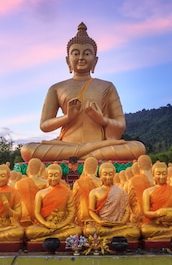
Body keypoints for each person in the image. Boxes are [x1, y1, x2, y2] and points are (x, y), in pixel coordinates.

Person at [20, 23, 146, 162]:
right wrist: (68, 117)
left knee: (138, 147)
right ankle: (86, 156)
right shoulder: (56, 88)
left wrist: (101, 120)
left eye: (87, 53)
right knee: (27, 149)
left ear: (95, 61)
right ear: (68, 60)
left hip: (97, 145)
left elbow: (120, 124)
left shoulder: (107, 86)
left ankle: (75, 157)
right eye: (75, 53)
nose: (81, 58)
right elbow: (44, 125)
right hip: (70, 145)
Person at [25, 164, 81, 242]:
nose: (53, 178)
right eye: (50, 175)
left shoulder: (67, 192)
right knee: (29, 232)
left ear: (60, 176)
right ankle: (56, 237)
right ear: (46, 176)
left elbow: (72, 212)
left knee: (77, 231)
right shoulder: (40, 193)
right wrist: (45, 223)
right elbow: (37, 213)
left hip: (62, 225)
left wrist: (60, 225)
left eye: (56, 175)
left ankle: (42, 239)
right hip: (45, 226)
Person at [85, 163, 139, 241]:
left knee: (135, 232)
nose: (108, 177)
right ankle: (115, 237)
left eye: (111, 174)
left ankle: (102, 239)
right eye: (105, 174)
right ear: (100, 175)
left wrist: (123, 222)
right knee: (89, 231)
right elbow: (91, 211)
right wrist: (99, 221)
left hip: (119, 225)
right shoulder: (94, 192)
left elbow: (126, 210)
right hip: (102, 225)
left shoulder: (121, 191)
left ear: (114, 175)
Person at [72, 157, 101, 226]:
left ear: (84, 168)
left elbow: (74, 202)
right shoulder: (101, 182)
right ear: (96, 168)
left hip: (82, 217)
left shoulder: (77, 183)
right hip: (99, 217)